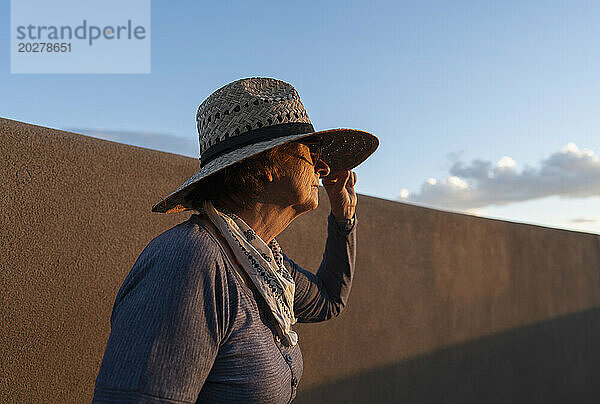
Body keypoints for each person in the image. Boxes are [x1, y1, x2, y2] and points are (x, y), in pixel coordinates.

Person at [92, 77, 378, 403]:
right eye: (311, 151)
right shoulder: (191, 261)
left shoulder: (263, 263)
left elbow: (328, 300)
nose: (324, 167)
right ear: (266, 164)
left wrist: (344, 219)